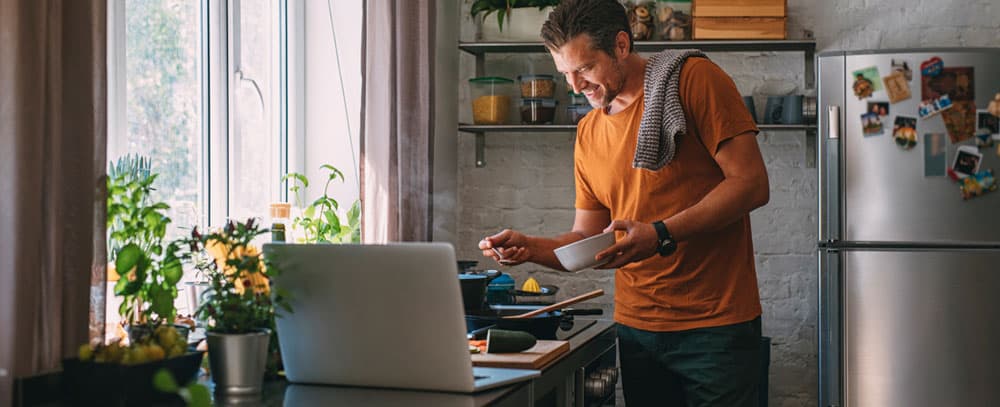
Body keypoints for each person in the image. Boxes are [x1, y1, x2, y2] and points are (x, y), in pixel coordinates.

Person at [477, 0, 770, 405]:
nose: (575, 86)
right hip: (637, 331)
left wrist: (660, 234)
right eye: (566, 74)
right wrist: (530, 248)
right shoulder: (588, 133)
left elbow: (751, 184)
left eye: (584, 68)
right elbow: (588, 238)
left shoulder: (693, 80)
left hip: (716, 331)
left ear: (620, 45)